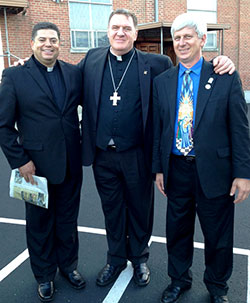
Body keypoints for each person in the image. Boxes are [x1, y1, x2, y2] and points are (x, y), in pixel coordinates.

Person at [78, 8, 236, 288]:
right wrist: (25, 70)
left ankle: (139, 258)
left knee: (141, 210)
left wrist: (221, 60)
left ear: (136, 34)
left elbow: (191, 69)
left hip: (138, 154)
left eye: (127, 28)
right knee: (112, 211)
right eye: (115, 28)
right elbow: (68, 80)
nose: (120, 33)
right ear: (107, 31)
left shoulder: (158, 64)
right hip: (104, 155)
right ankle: (115, 259)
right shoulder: (91, 59)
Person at [152, 13, 250, 303]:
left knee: (218, 235)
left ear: (202, 40)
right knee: (177, 231)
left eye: (188, 36)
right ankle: (179, 280)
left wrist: (243, 173)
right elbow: (160, 128)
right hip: (176, 169)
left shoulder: (224, 76)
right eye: (177, 37)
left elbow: (240, 128)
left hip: (214, 171)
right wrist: (159, 168)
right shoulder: (163, 81)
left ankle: (217, 286)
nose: (181, 43)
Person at [0, 22, 85, 302]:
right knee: (39, 225)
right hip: (34, 169)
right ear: (33, 43)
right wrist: (20, 160)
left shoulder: (73, 73)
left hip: (70, 164)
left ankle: (68, 267)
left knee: (67, 221)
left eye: (54, 40)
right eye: (43, 40)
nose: (49, 44)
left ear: (60, 43)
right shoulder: (14, 76)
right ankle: (44, 275)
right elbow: (3, 125)